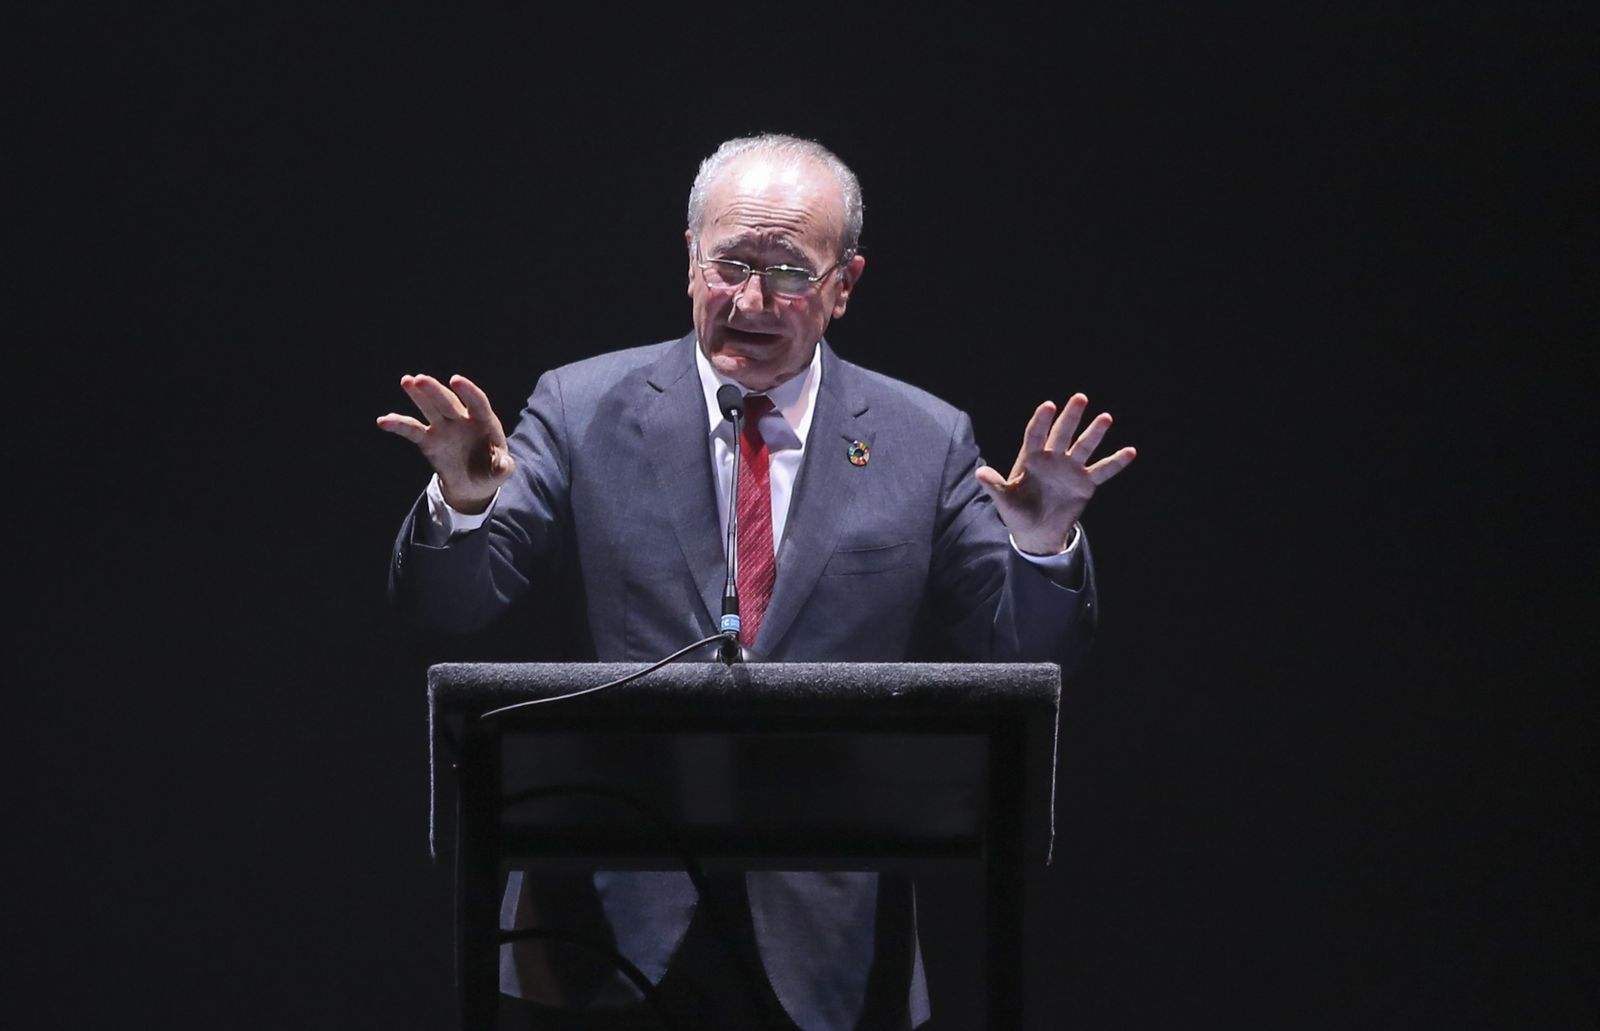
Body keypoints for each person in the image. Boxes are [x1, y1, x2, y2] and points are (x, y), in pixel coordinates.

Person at [379, 133, 1135, 1030]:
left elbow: (1026, 652)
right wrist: (461, 505)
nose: (750, 299)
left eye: (787, 272)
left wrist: (1043, 545)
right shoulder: (581, 408)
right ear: (689, 261)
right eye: (729, 264)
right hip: (603, 908)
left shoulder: (920, 440)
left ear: (845, 284)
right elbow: (450, 605)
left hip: (832, 931)